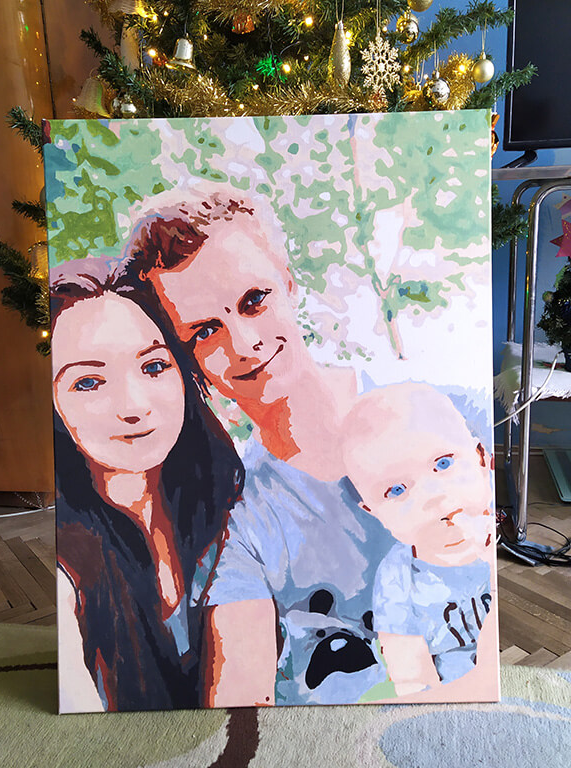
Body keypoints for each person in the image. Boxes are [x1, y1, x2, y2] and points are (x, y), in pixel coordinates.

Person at [121, 192, 494, 706]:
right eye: (205, 331)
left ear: (289, 281)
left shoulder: (454, 415)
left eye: (254, 300)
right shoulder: (237, 518)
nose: (244, 344)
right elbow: (241, 691)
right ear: (185, 357)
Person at [51, 256, 243, 712]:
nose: (133, 406)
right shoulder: (65, 569)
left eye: (154, 367)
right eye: (89, 382)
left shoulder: (230, 502)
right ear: (54, 405)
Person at [342, 383, 496, 697]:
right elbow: (410, 677)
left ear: (481, 460)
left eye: (443, 463)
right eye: (396, 490)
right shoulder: (397, 578)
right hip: (444, 698)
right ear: (374, 513)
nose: (432, 496)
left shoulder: (497, 545)